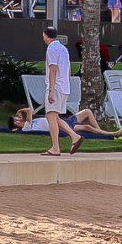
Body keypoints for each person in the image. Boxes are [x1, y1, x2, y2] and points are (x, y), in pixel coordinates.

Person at [39, 25, 81, 156]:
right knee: (55, 116)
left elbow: (53, 69)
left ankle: (56, 147)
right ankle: (74, 136)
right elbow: (68, 69)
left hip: (56, 87)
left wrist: (51, 90)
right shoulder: (63, 48)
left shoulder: (51, 48)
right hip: (64, 87)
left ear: (45, 35)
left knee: (50, 116)